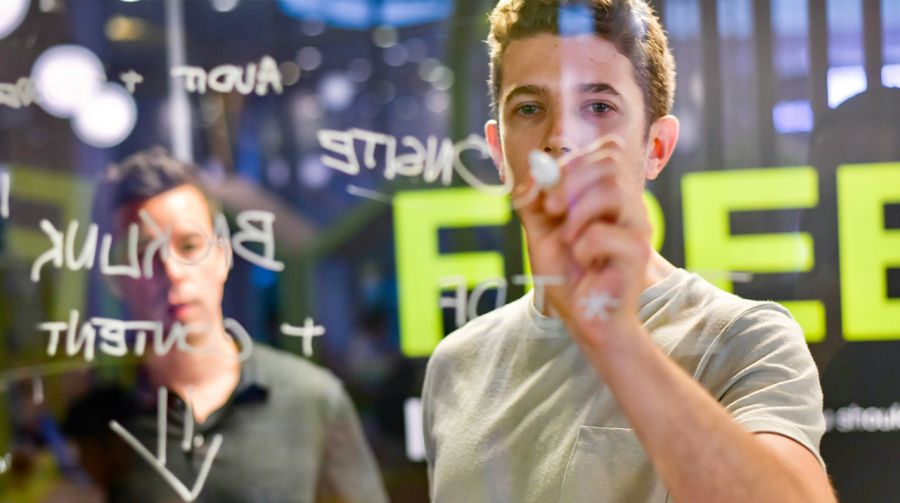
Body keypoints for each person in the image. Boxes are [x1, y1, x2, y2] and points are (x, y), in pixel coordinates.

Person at [421, 1, 836, 502]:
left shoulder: (744, 341)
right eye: (529, 109)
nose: (560, 139)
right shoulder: (456, 365)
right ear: (498, 151)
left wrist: (616, 340)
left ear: (655, 148)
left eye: (599, 107)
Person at [66, 147, 388, 503]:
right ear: (117, 277)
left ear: (222, 256)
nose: (172, 271)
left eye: (189, 246)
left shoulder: (311, 400)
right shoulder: (97, 426)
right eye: (145, 254)